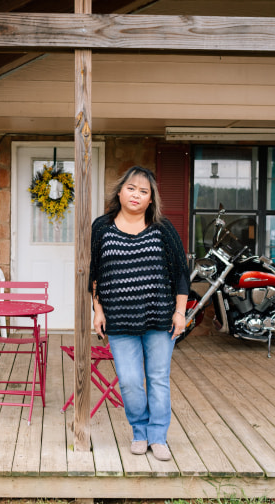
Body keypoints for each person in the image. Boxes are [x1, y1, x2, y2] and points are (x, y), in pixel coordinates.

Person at [88, 165, 189, 462]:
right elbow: (95, 274)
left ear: (150, 200)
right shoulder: (102, 228)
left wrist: (180, 312)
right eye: (131, 188)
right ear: (120, 192)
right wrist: (98, 310)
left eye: (143, 191)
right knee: (130, 381)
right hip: (119, 320)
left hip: (159, 318)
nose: (136, 195)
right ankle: (139, 431)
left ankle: (157, 436)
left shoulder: (163, 228)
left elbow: (181, 274)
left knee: (157, 378)